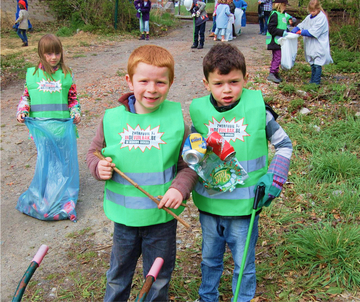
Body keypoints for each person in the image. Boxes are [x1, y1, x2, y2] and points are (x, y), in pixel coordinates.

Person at [86, 45, 198, 302]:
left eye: (160, 82)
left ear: (171, 82)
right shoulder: (112, 120)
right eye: (144, 81)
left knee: (158, 279)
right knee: (118, 275)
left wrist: (178, 188)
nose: (151, 89)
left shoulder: (176, 120)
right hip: (125, 221)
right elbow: (94, 152)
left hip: (162, 220)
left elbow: (188, 166)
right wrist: (97, 166)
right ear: (129, 80)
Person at [190, 43, 292, 302]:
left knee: (243, 264)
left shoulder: (259, 110)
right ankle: (207, 297)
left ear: (245, 78)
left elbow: (284, 145)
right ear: (206, 83)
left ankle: (242, 298)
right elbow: (192, 147)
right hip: (211, 207)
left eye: (234, 82)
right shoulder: (199, 112)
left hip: (246, 208)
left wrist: (276, 177)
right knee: (209, 260)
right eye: (219, 83)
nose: (227, 90)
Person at [16, 34, 81, 221]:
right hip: (42, 131)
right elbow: (26, 97)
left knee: (63, 163)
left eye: (57, 53)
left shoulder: (67, 75)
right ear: (41, 54)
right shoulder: (33, 75)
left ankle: (63, 195)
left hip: (62, 130)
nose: (54, 57)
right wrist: (22, 111)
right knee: (46, 162)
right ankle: (45, 195)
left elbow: (72, 100)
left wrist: (75, 113)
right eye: (49, 53)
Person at [291, 0, 333, 85]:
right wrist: (296, 29)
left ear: (318, 9)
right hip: (311, 45)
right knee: (313, 64)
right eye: (310, 11)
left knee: (318, 63)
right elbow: (303, 24)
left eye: (313, 11)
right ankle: (312, 82)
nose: (312, 13)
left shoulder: (321, 18)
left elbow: (314, 31)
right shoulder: (309, 17)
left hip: (319, 45)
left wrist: (301, 32)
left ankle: (316, 83)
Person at [266, 0, 294, 83]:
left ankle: (275, 73)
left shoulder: (282, 15)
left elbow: (285, 21)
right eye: (284, 5)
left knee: (278, 57)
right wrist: (282, 32)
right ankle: (272, 73)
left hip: (280, 41)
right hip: (275, 40)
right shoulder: (275, 15)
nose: (285, 7)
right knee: (277, 57)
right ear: (280, 5)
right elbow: (271, 28)